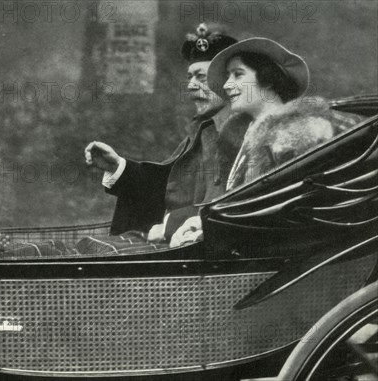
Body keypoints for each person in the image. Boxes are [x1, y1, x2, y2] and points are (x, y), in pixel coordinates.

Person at [170, 37, 364, 247]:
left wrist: (211, 231)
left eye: (238, 74)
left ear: (268, 78)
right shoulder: (244, 133)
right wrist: (200, 222)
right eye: (227, 76)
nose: (226, 85)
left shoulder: (297, 135)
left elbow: (288, 217)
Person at [84, 23, 245, 242]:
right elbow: (165, 185)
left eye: (201, 77)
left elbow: (228, 205)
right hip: (170, 242)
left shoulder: (236, 132)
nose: (190, 85)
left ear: (226, 81)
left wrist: (168, 226)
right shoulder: (204, 128)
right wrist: (117, 166)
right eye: (189, 77)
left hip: (191, 250)